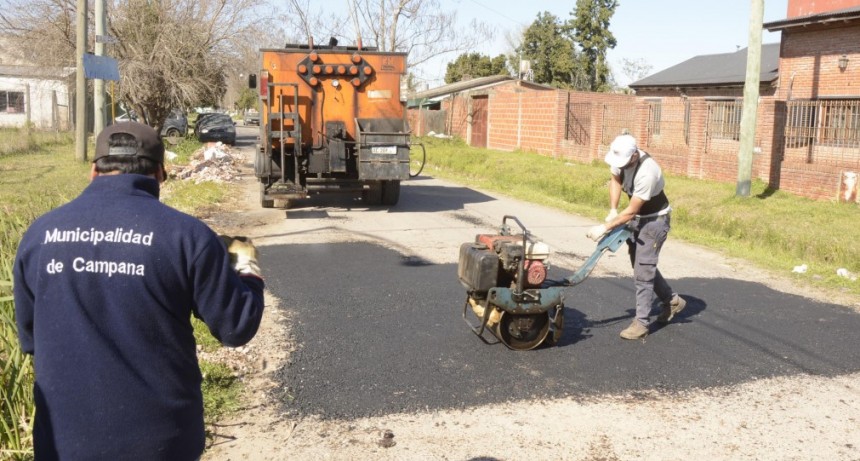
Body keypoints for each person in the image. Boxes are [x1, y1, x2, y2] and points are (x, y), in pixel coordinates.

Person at [13, 121, 265, 460]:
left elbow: (30, 339)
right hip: (162, 440)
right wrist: (245, 263)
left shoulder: (39, 235)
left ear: (94, 170)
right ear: (160, 173)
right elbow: (236, 327)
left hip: (63, 441)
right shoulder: (186, 236)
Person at [586, 134, 686, 340]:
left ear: (634, 155)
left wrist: (605, 227)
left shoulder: (648, 172)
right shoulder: (620, 159)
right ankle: (671, 300)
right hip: (638, 218)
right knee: (641, 265)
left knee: (643, 269)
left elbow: (631, 211)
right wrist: (613, 210)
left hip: (654, 221)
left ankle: (641, 323)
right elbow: (615, 180)